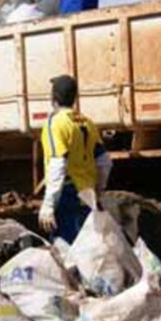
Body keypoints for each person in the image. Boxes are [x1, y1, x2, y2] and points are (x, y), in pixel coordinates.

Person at [39, 74, 113, 243]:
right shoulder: (86, 122)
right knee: (87, 249)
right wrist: (98, 192)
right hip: (87, 196)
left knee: (67, 253)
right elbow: (104, 161)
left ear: (53, 98)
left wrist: (49, 205)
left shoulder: (55, 123)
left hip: (67, 194)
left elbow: (58, 163)